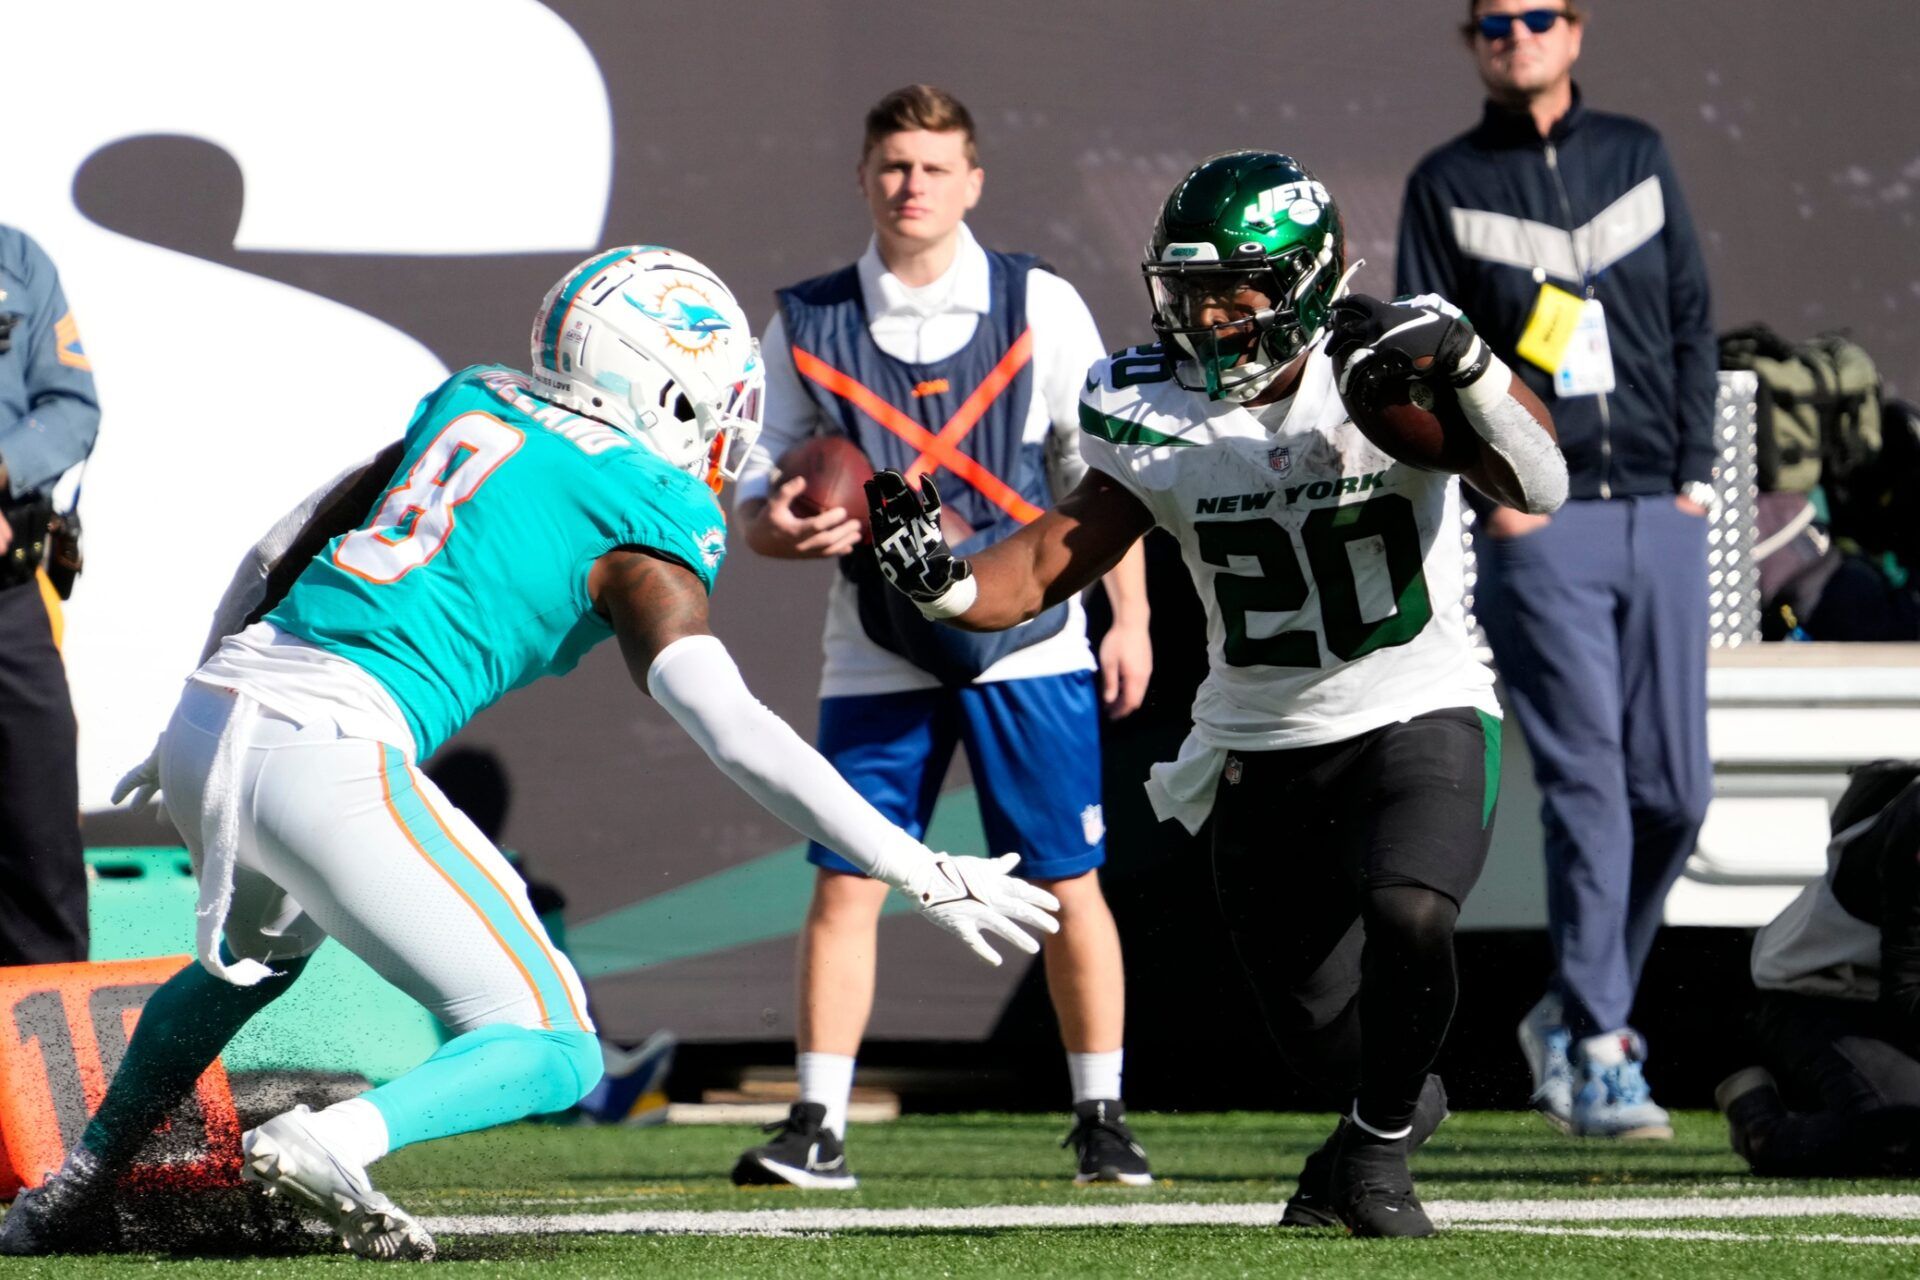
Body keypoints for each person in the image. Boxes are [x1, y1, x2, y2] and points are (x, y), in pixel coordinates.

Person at [0, 247, 1058, 1260]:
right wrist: (915, 863)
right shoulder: (648, 509)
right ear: (669, 390)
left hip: (222, 702)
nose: (735, 422)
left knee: (244, 968)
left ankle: (76, 1185)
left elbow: (286, 540)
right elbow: (733, 728)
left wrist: (198, 696)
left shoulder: (479, 396)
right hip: (325, 739)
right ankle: (331, 1139)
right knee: (552, 1042)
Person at [865, 150, 1566, 1237]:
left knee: (1412, 911)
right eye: (1188, 292)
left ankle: (1376, 1164)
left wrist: (1471, 366)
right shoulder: (1150, 404)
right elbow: (1050, 561)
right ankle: (1380, 1116)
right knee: (1316, 1029)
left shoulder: (1387, 362)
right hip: (1259, 734)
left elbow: (1543, 482)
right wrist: (948, 584)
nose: (1207, 318)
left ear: (1304, 283)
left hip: (1415, 698)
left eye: (1234, 292)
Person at [729, 85, 1154, 1190]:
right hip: (878, 639)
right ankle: (816, 1119)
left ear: (973, 180)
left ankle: (1101, 1116)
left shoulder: (1042, 304)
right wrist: (781, 526)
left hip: (1032, 635)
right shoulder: (807, 320)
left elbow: (1103, 479)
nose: (910, 185)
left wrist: (1133, 618)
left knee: (1071, 879)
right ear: (865, 176)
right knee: (846, 877)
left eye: (932, 166)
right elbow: (756, 499)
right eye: (892, 165)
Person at [1395, 0, 1718, 1139]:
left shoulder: (1637, 154)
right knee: (1589, 790)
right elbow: (1421, 364)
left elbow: (1687, 312)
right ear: (1472, 45)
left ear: (1575, 33)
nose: (1515, 35)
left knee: (1677, 795)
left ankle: (1584, 1007)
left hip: (1661, 515)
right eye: (1493, 23)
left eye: (1537, 17)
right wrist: (1500, 497)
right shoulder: (1445, 179)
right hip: (1545, 520)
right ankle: (1597, 1042)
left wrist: (1692, 477)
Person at [1717, 761, 1920, 1177]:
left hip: (1882, 994)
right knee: (1905, 1132)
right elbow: (1907, 988)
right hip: (1819, 993)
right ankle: (1764, 1128)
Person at [0, 225, 99, 967]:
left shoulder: (16, 256)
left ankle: (55, 1077)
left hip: (8, 596)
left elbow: (72, 406)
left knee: (40, 841)